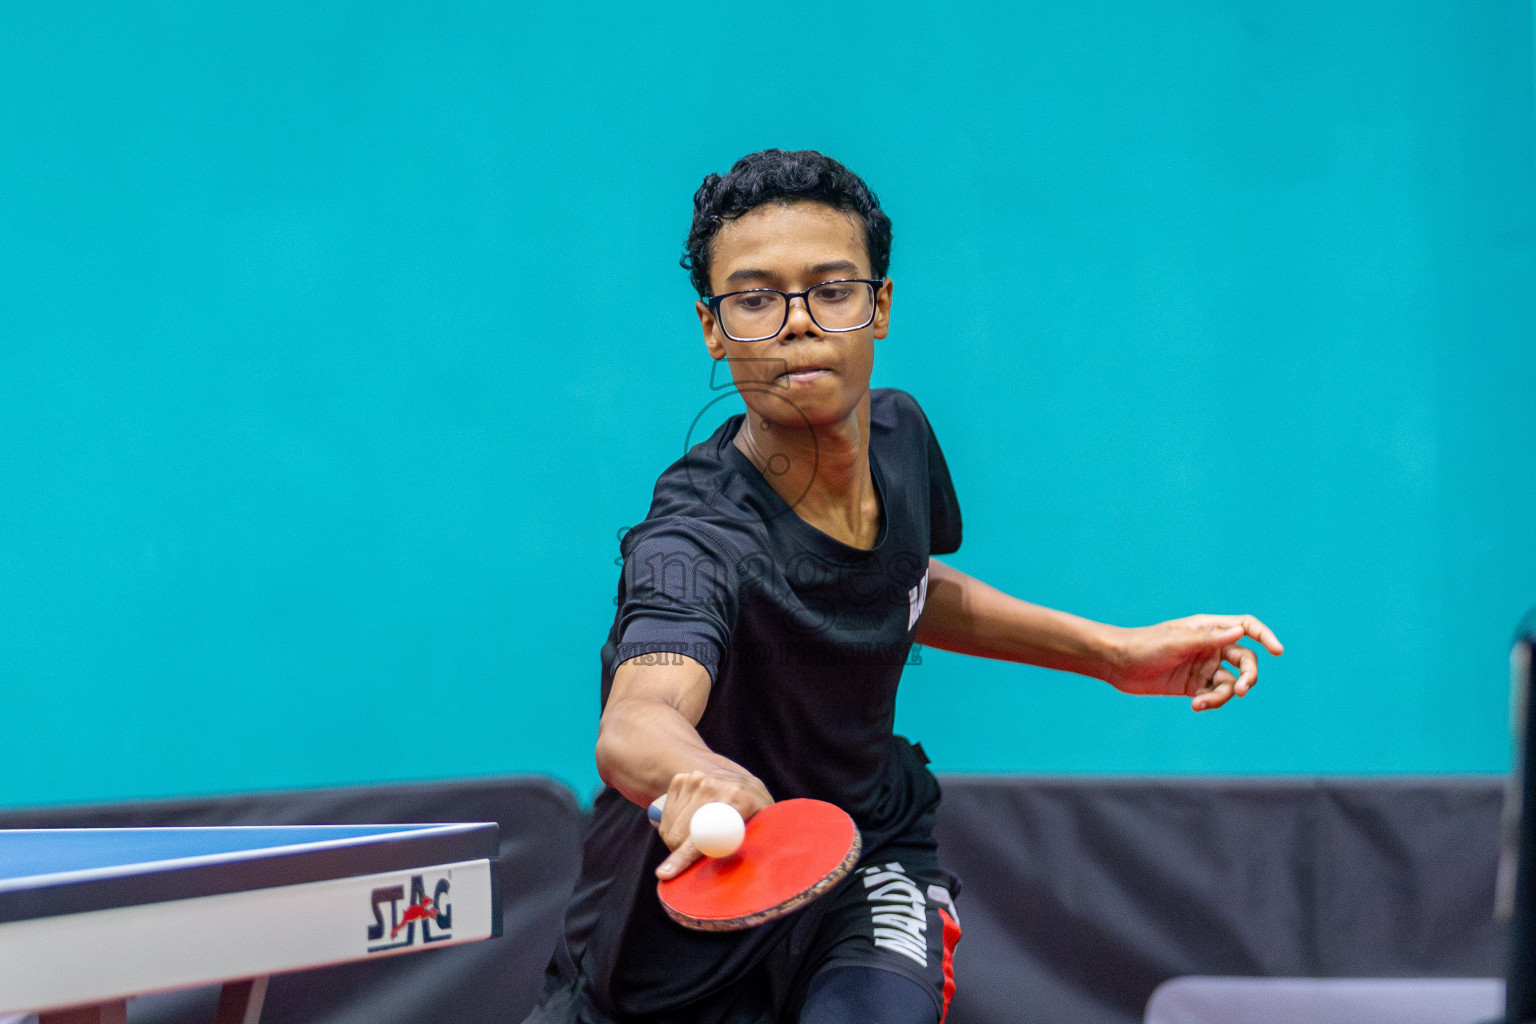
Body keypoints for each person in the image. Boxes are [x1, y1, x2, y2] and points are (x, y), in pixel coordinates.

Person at [524, 149, 1284, 1024]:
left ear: (879, 306)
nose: (797, 324)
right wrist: (695, 772)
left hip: (868, 851)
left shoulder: (899, 436)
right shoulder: (694, 541)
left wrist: (1113, 654)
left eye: (831, 290)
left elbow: (901, 585)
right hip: (680, 921)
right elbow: (638, 714)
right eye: (756, 299)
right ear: (713, 328)